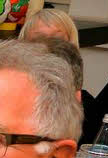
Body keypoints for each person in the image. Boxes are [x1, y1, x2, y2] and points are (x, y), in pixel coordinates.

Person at [19, 10, 101, 145]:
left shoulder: (87, 109)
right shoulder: (9, 96)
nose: (49, 45)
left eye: (57, 39)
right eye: (40, 39)